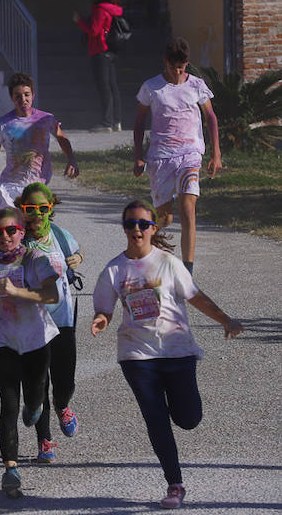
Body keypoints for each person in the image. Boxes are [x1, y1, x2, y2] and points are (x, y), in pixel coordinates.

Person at [91, 199, 243, 509]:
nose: (137, 229)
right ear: (124, 229)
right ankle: (175, 484)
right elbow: (104, 307)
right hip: (136, 355)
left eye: (143, 224)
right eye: (131, 224)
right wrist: (101, 319)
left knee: (188, 419)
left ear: (153, 228)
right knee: (155, 417)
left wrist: (225, 318)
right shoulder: (114, 270)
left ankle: (182, 415)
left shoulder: (169, 263)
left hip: (177, 352)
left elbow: (196, 297)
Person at [0, 206, 60, 498]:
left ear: (21, 231)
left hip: (35, 339)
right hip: (3, 340)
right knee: (8, 405)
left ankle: (35, 409)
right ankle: (10, 470)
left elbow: (51, 295)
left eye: (11, 230)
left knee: (34, 398)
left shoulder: (35, 259)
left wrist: (19, 292)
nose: (5, 237)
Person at [133, 37, 222, 274]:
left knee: (187, 208)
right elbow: (140, 121)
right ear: (165, 62)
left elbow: (210, 117)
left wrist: (216, 153)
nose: (178, 72)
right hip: (161, 158)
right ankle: (144, 255)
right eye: (174, 67)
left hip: (190, 154)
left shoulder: (196, 85)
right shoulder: (151, 87)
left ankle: (187, 272)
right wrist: (138, 156)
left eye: (182, 67)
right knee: (165, 218)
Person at [15, 183, 83, 463]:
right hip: (33, 324)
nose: (37, 215)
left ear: (51, 208)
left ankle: (63, 405)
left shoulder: (59, 235)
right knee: (38, 383)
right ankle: (45, 441)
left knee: (65, 381)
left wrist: (77, 258)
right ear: (22, 210)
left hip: (64, 319)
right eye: (31, 209)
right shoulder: (16, 240)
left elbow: (77, 253)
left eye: (43, 208)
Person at [0, 72, 79, 208]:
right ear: (11, 98)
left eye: (27, 94)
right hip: (10, 187)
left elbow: (62, 138)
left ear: (33, 95)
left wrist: (71, 159)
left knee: (34, 227)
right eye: (18, 96)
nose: (23, 99)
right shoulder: (3, 124)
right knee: (10, 226)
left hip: (37, 186)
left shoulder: (45, 120)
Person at [73, 0, 124, 132]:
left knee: (104, 86)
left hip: (100, 50)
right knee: (113, 86)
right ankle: (117, 121)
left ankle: (106, 122)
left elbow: (94, 31)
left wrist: (79, 21)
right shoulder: (115, 9)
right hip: (111, 50)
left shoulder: (100, 9)